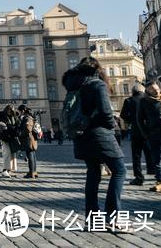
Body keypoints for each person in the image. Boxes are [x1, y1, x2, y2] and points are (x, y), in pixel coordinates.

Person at [63, 57, 127, 232]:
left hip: (81, 136)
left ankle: (92, 219)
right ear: (97, 69)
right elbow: (106, 113)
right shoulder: (96, 84)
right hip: (100, 134)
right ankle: (112, 218)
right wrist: (110, 125)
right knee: (120, 170)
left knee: (93, 173)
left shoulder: (74, 85)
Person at [137, 80, 161, 193]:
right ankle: (160, 181)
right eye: (154, 90)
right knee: (156, 158)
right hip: (152, 134)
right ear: (148, 91)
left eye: (157, 89)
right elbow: (139, 119)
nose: (157, 91)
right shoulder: (144, 101)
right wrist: (146, 134)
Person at [121, 84, 155, 186]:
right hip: (148, 131)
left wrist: (131, 121)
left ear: (133, 91)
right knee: (150, 152)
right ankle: (153, 171)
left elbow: (123, 115)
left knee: (136, 155)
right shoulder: (147, 99)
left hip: (136, 131)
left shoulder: (129, 101)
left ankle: (139, 177)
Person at [0, 105, 19, 177]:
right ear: (7, 110)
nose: (11, 112)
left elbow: (16, 124)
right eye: (10, 110)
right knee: (7, 153)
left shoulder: (14, 117)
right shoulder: (2, 115)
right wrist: (1, 124)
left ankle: (10, 170)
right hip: (5, 137)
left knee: (13, 154)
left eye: (12, 110)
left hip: (12, 137)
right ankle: (4, 170)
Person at [18, 105, 38, 178]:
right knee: (33, 155)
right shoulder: (31, 117)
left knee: (30, 156)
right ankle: (34, 172)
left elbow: (27, 129)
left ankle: (31, 172)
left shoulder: (27, 118)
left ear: (23, 111)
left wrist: (20, 134)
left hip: (28, 139)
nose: (19, 113)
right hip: (32, 138)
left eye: (20, 111)